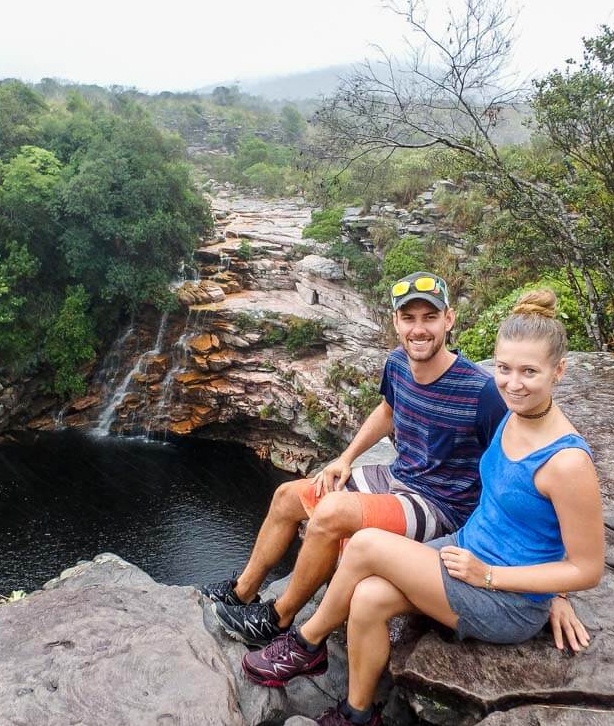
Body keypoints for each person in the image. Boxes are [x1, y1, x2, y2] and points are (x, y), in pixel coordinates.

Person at [240, 289, 605, 726]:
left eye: (530, 372)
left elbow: (587, 565)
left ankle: (305, 643)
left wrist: (539, 589)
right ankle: (358, 716)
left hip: (503, 599)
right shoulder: (510, 414)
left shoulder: (568, 462)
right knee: (369, 596)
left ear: (559, 371)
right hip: (463, 554)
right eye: (505, 369)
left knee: (366, 544)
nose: (514, 383)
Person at [202, 272, 587, 649]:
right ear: (396, 322)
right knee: (287, 495)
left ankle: (276, 619)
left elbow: (525, 476)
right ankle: (241, 593)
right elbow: (387, 410)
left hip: (442, 506)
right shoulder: (398, 363)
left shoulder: (483, 391)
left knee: (332, 512)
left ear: (449, 320)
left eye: (430, 317)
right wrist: (346, 457)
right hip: (398, 477)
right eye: (409, 318)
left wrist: (557, 593)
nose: (419, 330)